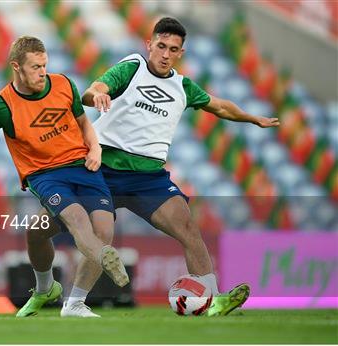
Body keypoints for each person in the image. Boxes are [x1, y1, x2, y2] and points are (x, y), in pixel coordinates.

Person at [27, 17, 280, 317]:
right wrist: (100, 95)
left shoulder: (182, 86)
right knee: (39, 230)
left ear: (180, 53)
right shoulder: (132, 67)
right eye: (161, 46)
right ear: (150, 44)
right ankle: (48, 289)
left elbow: (220, 106)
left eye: (173, 49)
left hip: (148, 178)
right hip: (101, 168)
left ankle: (212, 300)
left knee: (188, 227)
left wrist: (253, 118)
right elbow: (91, 91)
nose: (165, 54)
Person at [0, 36, 129, 317]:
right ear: (16, 66)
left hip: (82, 166)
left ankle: (69, 300)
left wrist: (96, 148)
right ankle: (102, 259)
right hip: (45, 175)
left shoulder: (64, 84)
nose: (42, 72)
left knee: (90, 229)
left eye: (44, 65)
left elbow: (83, 123)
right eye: (35, 67)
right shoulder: (3, 105)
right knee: (78, 220)